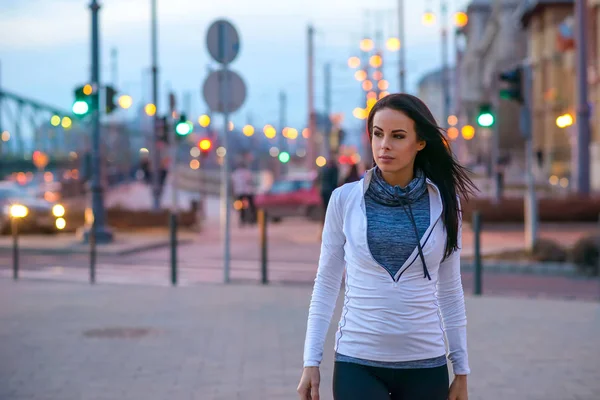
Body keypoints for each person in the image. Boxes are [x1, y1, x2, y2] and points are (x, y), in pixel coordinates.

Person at [297, 93, 476, 400]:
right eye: (378, 134)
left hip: (425, 363)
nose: (384, 145)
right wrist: (310, 361)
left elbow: (450, 289)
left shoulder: (445, 204)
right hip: (358, 362)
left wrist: (461, 369)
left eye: (398, 136)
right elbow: (326, 283)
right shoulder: (345, 200)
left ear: (420, 142)